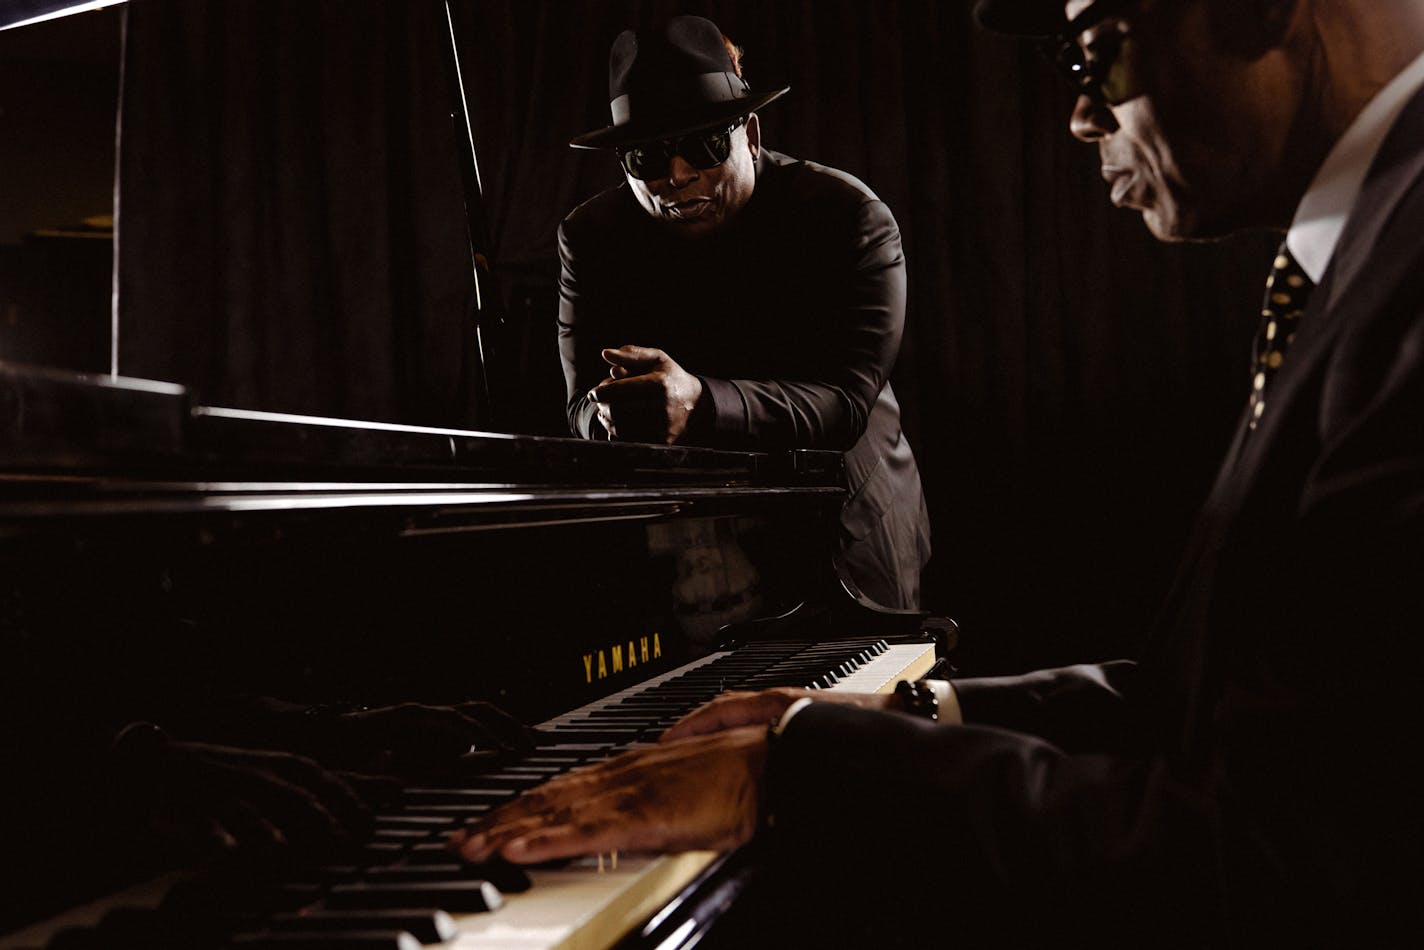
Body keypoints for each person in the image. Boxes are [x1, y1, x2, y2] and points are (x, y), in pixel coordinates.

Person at [455, 0, 1424, 944]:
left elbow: (1292, 858)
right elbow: (1206, 708)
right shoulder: (1366, 258)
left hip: (848, 533)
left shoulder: (844, 215)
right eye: (645, 158)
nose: (1082, 113)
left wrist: (808, 770)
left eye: (1101, 51)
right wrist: (904, 711)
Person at [556, 15, 930, 610]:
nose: (676, 178)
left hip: (843, 522)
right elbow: (580, 408)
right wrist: (610, 417)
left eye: (703, 144)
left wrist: (699, 403)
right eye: (645, 158)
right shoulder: (592, 237)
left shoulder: (846, 217)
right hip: (685, 546)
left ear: (749, 133)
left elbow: (846, 403)